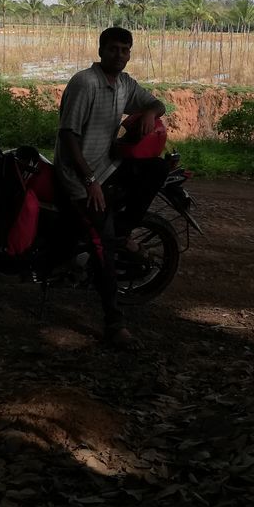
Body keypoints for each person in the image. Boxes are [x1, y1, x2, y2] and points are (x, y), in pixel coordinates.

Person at [54, 26, 168, 350]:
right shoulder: (84, 83)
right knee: (103, 246)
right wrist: (89, 181)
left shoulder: (124, 84)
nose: (119, 55)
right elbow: (68, 137)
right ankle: (114, 323)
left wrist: (148, 112)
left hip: (106, 168)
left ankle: (123, 230)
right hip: (78, 177)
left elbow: (159, 104)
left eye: (125, 50)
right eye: (114, 49)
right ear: (101, 50)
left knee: (157, 169)